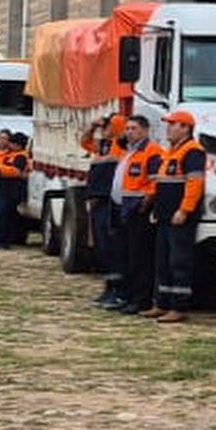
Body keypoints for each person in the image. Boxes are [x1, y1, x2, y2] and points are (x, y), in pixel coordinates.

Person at [148, 110, 206, 324]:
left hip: (180, 216)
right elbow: (161, 184)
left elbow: (195, 184)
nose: (168, 128)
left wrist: (185, 209)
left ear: (186, 128)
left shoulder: (193, 151)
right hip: (165, 215)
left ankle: (179, 306)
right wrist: (156, 209)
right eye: (169, 124)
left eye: (173, 124)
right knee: (162, 261)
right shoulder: (170, 152)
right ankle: (162, 303)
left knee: (179, 261)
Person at [115, 116, 161, 315]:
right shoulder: (131, 151)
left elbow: (154, 182)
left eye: (133, 128)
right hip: (127, 208)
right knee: (129, 256)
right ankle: (130, 296)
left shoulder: (152, 151)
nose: (129, 132)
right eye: (127, 128)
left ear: (145, 130)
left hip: (140, 210)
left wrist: (145, 202)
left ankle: (141, 300)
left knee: (140, 258)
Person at [81, 113, 128, 308]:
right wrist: (92, 127)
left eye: (107, 125)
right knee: (102, 248)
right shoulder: (103, 146)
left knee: (112, 247)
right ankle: (109, 287)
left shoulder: (120, 146)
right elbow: (85, 142)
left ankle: (118, 290)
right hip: (98, 201)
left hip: (110, 202)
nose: (103, 128)